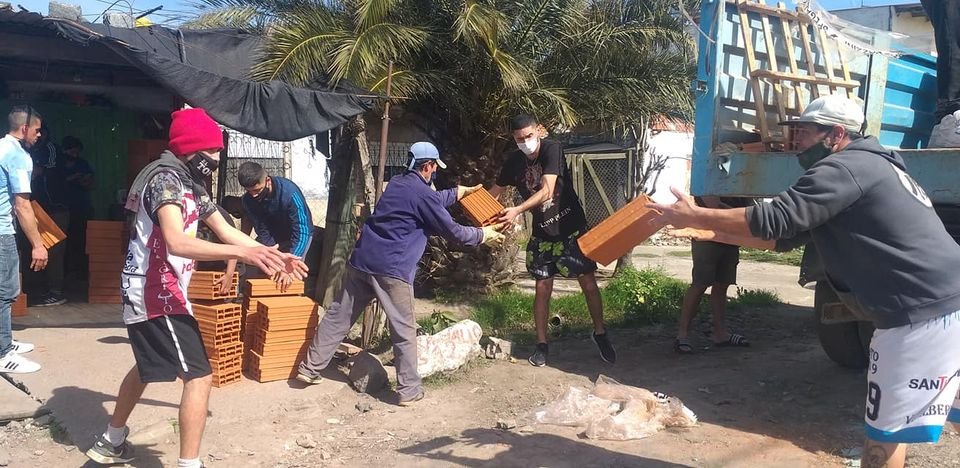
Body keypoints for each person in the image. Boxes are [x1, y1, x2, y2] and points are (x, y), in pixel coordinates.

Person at [653, 94, 960, 468]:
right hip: (946, 302)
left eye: (804, 134)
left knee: (885, 435)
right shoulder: (870, 165)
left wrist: (699, 214)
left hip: (920, 316)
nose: (795, 142)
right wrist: (710, 232)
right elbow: (783, 237)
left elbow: (775, 219)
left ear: (836, 134)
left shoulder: (843, 169)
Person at [84, 108, 306, 467]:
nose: (218, 159)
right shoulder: (166, 180)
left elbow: (225, 228)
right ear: (194, 150)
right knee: (200, 375)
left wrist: (267, 254)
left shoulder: (189, 183)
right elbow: (177, 242)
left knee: (146, 364)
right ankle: (190, 463)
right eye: (214, 152)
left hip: (162, 289)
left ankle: (111, 439)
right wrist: (241, 253)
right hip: (156, 291)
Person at [296, 142, 505, 405]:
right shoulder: (422, 194)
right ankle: (409, 391)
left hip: (361, 262)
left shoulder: (397, 183)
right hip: (392, 270)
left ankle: (309, 369)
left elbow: (427, 200)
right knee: (404, 329)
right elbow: (455, 232)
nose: (434, 173)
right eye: (433, 169)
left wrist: (458, 193)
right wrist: (483, 234)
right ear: (428, 166)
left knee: (338, 316)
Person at [489, 114, 616, 367]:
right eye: (519, 139)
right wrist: (476, 212)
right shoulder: (513, 162)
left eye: (528, 136)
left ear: (539, 131)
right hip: (542, 235)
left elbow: (547, 189)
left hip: (571, 229)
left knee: (589, 283)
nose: (525, 142)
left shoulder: (552, 148)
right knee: (542, 288)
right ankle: (541, 345)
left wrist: (516, 210)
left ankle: (600, 333)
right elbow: (495, 192)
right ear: (513, 139)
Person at [0, 106, 48, 374]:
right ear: (24, 129)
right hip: (2, 230)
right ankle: (3, 352)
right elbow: (22, 205)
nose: (39, 135)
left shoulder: (1, 148)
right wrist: (38, 244)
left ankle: (4, 339)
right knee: (5, 292)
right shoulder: (18, 156)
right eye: (37, 130)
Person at [674, 196, 754, 354]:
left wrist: (748, 215)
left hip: (732, 235)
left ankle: (720, 334)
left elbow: (750, 203)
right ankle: (682, 335)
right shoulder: (710, 174)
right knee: (701, 283)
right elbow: (714, 205)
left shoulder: (740, 178)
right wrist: (744, 216)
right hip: (706, 232)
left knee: (722, 284)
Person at [237, 162, 318, 292]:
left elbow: (303, 230)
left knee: (291, 276)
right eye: (249, 191)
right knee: (269, 273)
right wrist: (273, 257)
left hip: (298, 237)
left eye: (257, 190)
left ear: (267, 180)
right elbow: (262, 230)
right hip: (274, 239)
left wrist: (290, 262)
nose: (254, 195)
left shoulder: (289, 193)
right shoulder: (248, 201)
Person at [26, 126, 68, 306]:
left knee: (54, 251)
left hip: (54, 208)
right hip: (35, 208)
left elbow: (40, 171)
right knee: (34, 248)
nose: (38, 135)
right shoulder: (30, 149)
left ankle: (56, 292)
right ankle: (38, 289)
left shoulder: (51, 148)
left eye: (39, 131)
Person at [59, 136, 95, 279]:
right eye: (72, 152)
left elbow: (92, 183)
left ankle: (80, 272)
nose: (75, 155)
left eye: (77, 152)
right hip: (62, 209)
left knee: (82, 242)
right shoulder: (58, 164)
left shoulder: (82, 163)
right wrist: (72, 178)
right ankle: (65, 272)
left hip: (82, 208)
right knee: (63, 244)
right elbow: (56, 183)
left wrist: (83, 180)